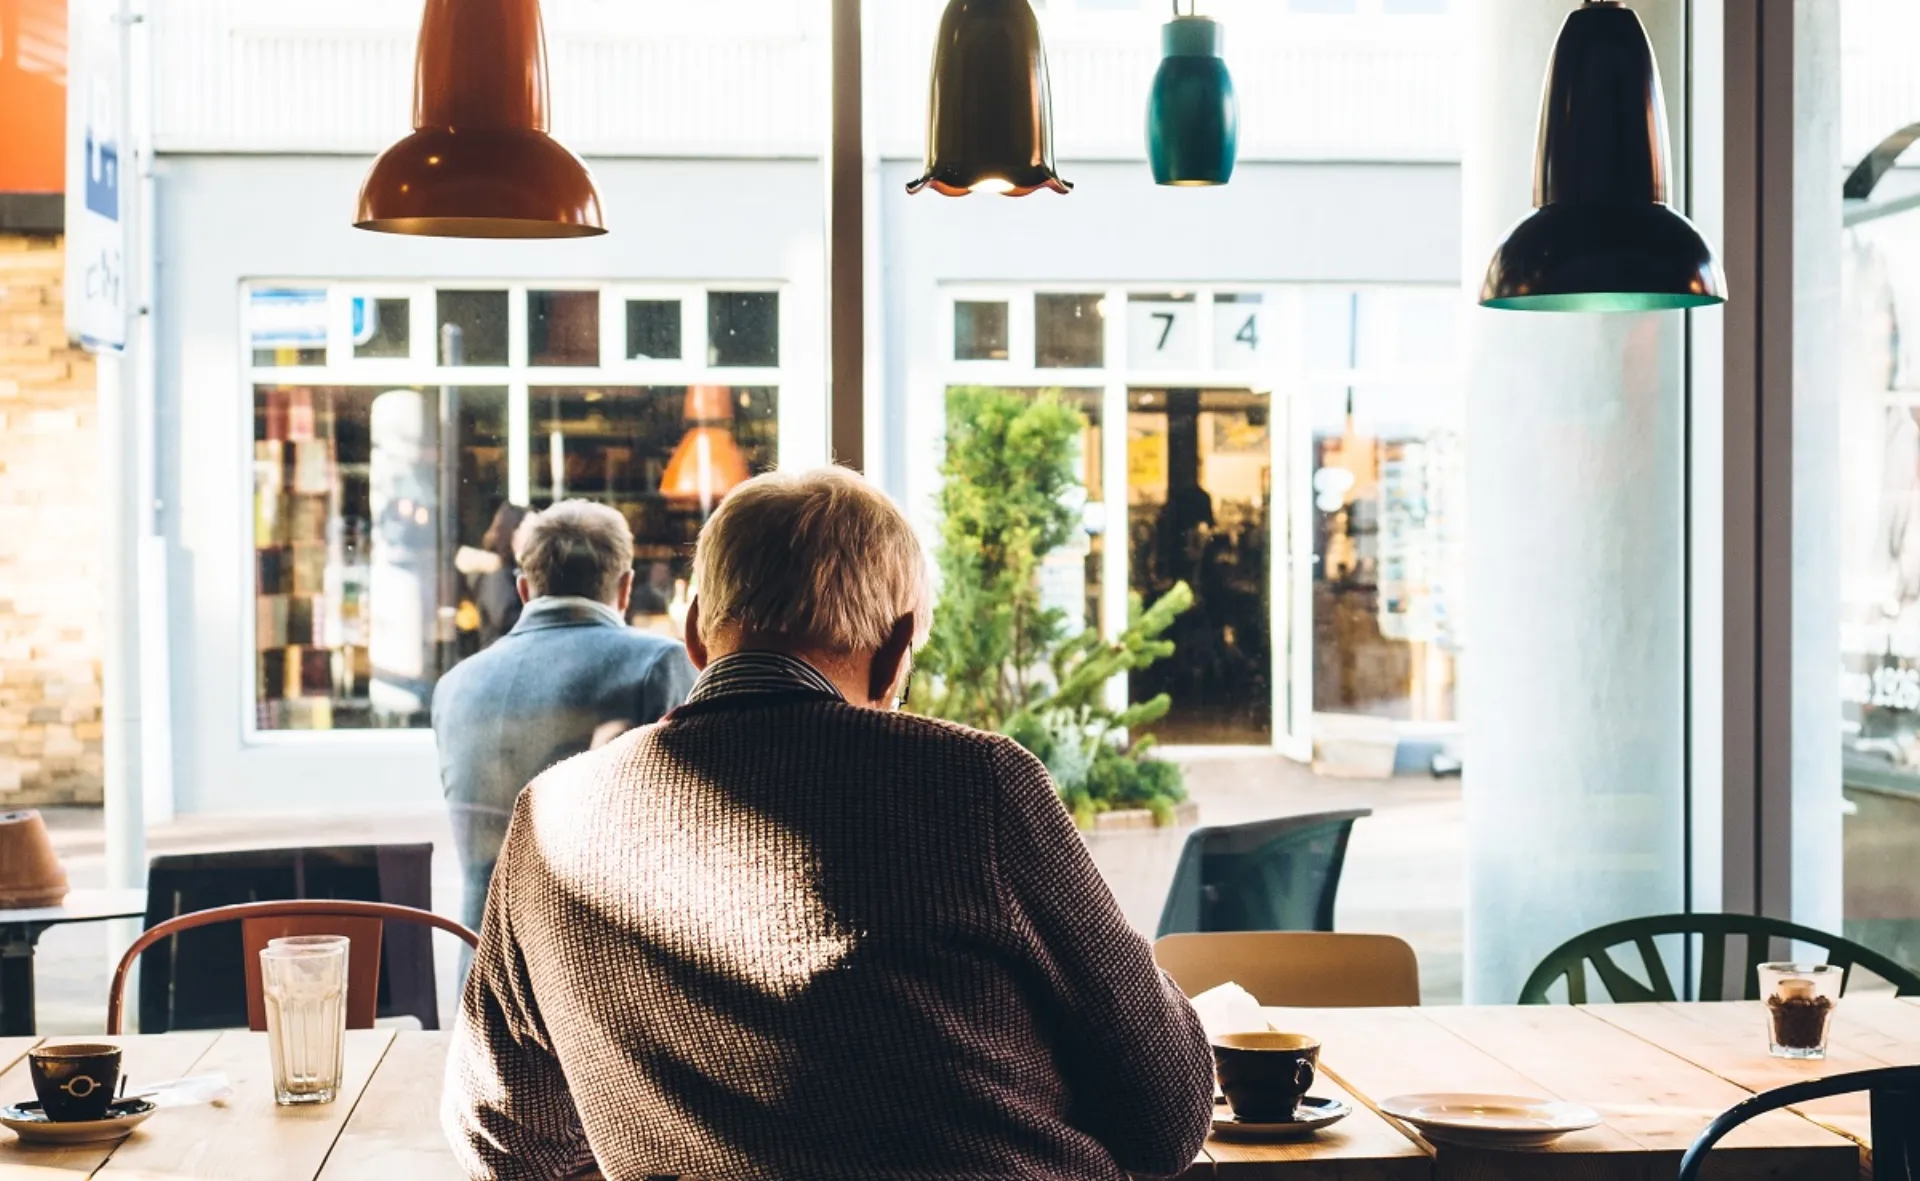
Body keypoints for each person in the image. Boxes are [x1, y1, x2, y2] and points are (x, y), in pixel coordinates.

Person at [443, 468, 1215, 1181]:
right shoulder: (977, 786)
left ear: (696, 633)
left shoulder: (550, 818)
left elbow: (501, 1138)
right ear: (893, 656)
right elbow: (1168, 1116)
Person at [431, 500, 697, 936]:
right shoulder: (656, 665)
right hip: (598, 979)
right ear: (626, 588)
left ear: (523, 590)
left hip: (481, 980)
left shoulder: (455, 685)